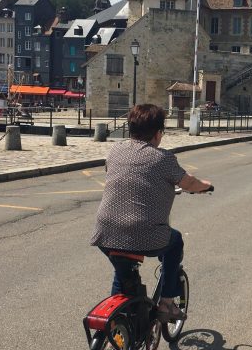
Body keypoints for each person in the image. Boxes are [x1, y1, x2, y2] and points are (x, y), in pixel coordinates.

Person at [90, 104, 212, 322]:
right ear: (158, 133)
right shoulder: (163, 158)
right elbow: (189, 183)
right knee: (174, 242)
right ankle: (166, 304)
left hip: (105, 233)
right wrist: (206, 185)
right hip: (145, 235)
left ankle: (120, 325)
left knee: (123, 270)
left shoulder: (115, 150)